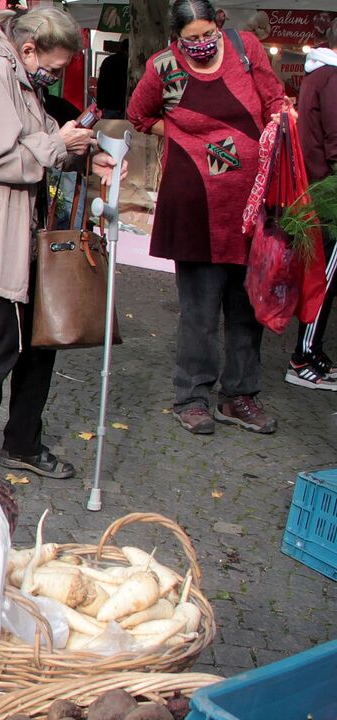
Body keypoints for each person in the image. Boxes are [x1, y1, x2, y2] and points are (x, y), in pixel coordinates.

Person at [0, 7, 120, 480]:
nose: (56, 77)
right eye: (55, 67)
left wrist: (76, 147)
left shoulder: (15, 72)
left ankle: (21, 442)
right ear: (27, 49)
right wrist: (59, 145)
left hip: (22, 230)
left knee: (40, 339)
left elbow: (27, 136)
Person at [128, 0, 290, 434]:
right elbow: (139, 115)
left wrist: (280, 122)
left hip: (250, 206)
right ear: (176, 37)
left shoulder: (246, 48)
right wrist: (181, 134)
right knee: (199, 309)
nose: (200, 44)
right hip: (195, 201)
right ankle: (193, 396)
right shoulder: (163, 67)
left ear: (219, 25)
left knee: (247, 305)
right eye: (190, 39)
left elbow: (274, 98)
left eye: (206, 35)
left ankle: (239, 396)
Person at [290, 21, 337, 389]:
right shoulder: (332, 77)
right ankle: (303, 356)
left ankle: (313, 351)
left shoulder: (316, 74)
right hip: (328, 192)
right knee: (324, 278)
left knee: (322, 276)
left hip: (315, 189)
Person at [97, 39, 128, 117]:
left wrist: (100, 105)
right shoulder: (129, 63)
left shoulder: (108, 60)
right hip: (123, 105)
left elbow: (101, 83)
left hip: (109, 105)